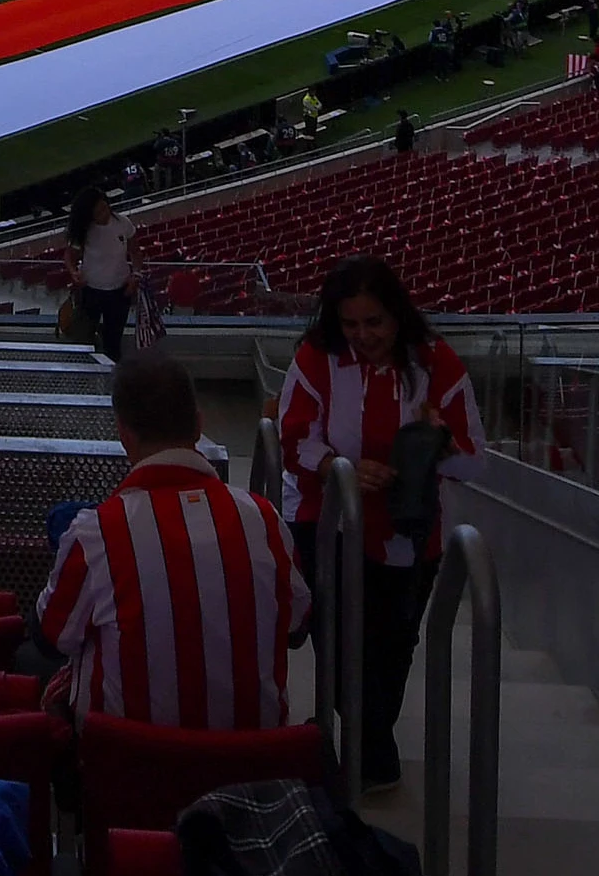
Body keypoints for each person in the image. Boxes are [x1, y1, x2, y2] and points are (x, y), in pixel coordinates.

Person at [275, 254, 480, 787]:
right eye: (351, 324)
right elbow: (295, 436)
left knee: (393, 645)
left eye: (374, 322)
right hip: (329, 525)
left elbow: (475, 460)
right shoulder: (317, 358)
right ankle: (365, 746)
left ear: (397, 315)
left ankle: (370, 747)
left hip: (412, 536)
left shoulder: (438, 363)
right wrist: (334, 467)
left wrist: (440, 442)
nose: (363, 335)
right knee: (339, 644)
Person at [37, 354, 307, 727]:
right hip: (249, 766)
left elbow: (55, 632)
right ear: (198, 424)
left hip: (129, 769)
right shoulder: (263, 520)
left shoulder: (94, 534)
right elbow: (296, 621)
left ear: (124, 435)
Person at [65, 188, 136, 360]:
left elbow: (136, 252)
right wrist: (74, 272)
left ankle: (112, 376)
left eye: (105, 208)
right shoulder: (84, 230)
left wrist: (136, 276)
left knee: (114, 340)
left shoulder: (123, 223)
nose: (104, 214)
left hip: (120, 290)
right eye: (98, 212)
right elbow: (70, 256)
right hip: (91, 291)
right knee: (86, 337)